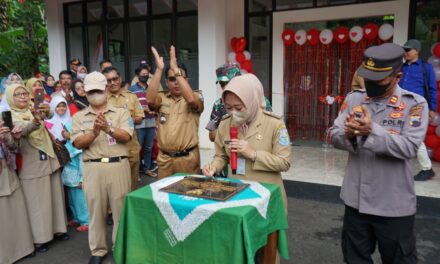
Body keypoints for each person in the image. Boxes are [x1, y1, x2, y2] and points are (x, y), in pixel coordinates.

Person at [330, 43, 427, 264]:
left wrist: (371, 130)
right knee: (354, 259)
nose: (371, 84)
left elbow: (409, 147)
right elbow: (334, 134)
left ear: (398, 76)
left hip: (393, 205)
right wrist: (351, 135)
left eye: (379, 80)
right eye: (368, 78)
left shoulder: (414, 104)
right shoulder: (355, 99)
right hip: (356, 202)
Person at [202, 74, 291, 208]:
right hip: (236, 194)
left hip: (266, 195)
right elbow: (221, 155)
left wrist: (254, 154)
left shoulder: (274, 124)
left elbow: (284, 162)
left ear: (251, 102)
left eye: (238, 108)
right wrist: (214, 166)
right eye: (228, 107)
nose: (233, 113)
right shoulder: (225, 123)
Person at [72, 71, 132, 264]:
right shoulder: (79, 117)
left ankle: (119, 247)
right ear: (86, 93)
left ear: (106, 89)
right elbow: (78, 143)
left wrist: (109, 128)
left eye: (99, 90)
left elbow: (127, 136)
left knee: (120, 210)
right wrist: (94, 132)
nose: (95, 94)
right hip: (93, 168)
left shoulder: (121, 112)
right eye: (91, 91)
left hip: (118, 166)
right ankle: (97, 250)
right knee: (95, 211)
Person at [7, 83, 68, 253]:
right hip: (30, 161)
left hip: (48, 157)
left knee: (55, 196)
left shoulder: (33, 109)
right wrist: (35, 121)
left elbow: (48, 114)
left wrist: (45, 110)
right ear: (11, 98)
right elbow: (21, 130)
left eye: (24, 93)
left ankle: (59, 230)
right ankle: (40, 239)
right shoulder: (8, 115)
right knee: (36, 202)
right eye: (17, 94)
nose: (22, 97)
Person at [147, 46, 204, 178]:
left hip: (188, 159)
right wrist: (159, 70)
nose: (176, 82)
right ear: (166, 82)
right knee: (163, 197)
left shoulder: (196, 95)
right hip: (165, 160)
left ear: (186, 80)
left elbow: (190, 100)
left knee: (188, 196)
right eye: (172, 79)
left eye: (180, 78)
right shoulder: (162, 98)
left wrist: (177, 71)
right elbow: (149, 100)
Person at [46, 96, 89, 232]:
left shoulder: (74, 129)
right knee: (72, 197)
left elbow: (82, 161)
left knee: (80, 198)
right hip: (68, 174)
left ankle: (86, 220)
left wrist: (83, 179)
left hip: (77, 174)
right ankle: (76, 218)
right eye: (58, 106)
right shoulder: (48, 124)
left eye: (63, 105)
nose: (61, 109)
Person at [399, 39, 437, 181]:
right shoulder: (401, 67)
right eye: (405, 49)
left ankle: (427, 169)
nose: (405, 52)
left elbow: (432, 89)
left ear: (417, 51)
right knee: (398, 133)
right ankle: (399, 167)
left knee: (414, 135)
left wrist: (432, 109)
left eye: (408, 50)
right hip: (401, 107)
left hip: (417, 108)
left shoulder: (425, 67)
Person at [0, 117, 35, 264]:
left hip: (6, 169)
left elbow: (13, 147)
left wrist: (13, 137)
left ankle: (23, 249)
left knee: (15, 209)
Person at [104, 66, 145, 190]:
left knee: (132, 185)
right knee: (113, 186)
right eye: (108, 80)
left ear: (120, 78)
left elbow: (140, 117)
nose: (112, 83)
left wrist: (126, 121)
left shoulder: (131, 96)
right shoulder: (101, 99)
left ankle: (129, 208)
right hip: (110, 149)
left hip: (131, 147)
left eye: (115, 79)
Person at [129, 63, 157, 177]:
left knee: (149, 147)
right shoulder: (132, 90)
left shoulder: (151, 88)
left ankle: (147, 168)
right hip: (139, 122)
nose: (145, 76)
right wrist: (142, 110)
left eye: (147, 75)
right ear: (137, 75)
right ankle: (136, 172)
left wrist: (154, 109)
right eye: (143, 74)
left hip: (151, 121)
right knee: (138, 147)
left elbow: (155, 102)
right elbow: (130, 106)